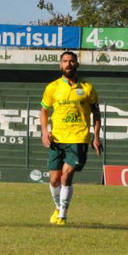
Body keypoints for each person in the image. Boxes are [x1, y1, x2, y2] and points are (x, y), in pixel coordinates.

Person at [41, 51, 102, 226]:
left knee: (66, 177)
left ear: (77, 64)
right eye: (65, 61)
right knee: (54, 179)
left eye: (71, 61)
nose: (68, 64)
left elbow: (97, 114)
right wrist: (45, 132)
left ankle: (63, 215)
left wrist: (96, 137)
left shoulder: (87, 88)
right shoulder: (52, 87)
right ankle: (58, 208)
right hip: (57, 139)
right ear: (60, 65)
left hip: (78, 138)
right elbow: (44, 111)